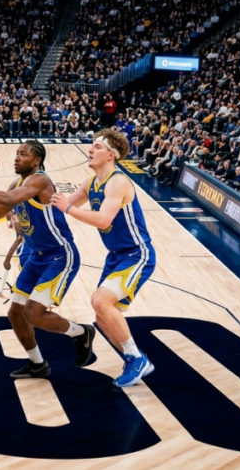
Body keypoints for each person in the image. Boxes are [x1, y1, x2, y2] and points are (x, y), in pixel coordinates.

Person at [0, 140, 94, 379]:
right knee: (15, 313)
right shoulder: (18, 182)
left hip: (59, 255)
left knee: (34, 313)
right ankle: (37, 363)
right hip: (36, 256)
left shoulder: (40, 181)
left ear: (36, 161)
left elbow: (6, 199)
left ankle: (81, 333)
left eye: (23, 154)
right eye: (17, 153)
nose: (17, 157)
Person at [52, 129, 157, 387]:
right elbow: (60, 206)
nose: (90, 149)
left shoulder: (118, 182)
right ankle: (135, 359)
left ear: (111, 155)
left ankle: (135, 358)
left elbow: (103, 219)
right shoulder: (91, 183)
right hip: (116, 256)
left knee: (100, 301)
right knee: (102, 317)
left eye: (97, 147)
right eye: (92, 145)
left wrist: (69, 207)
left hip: (137, 253)